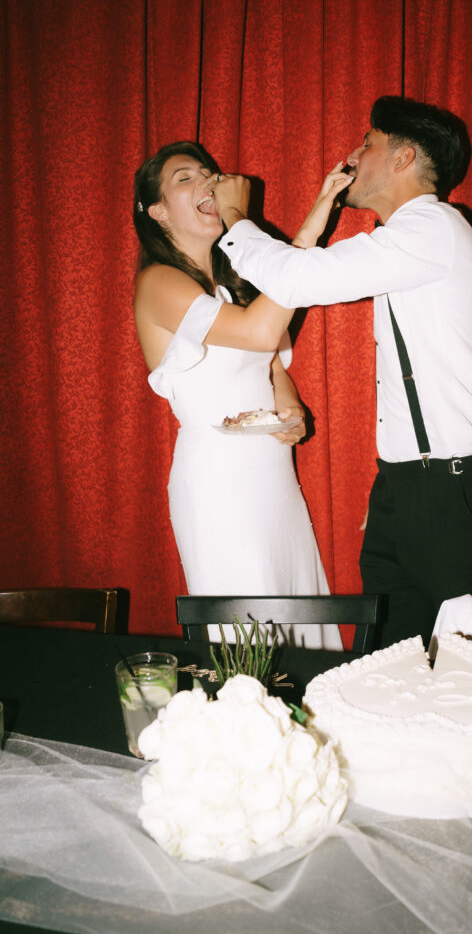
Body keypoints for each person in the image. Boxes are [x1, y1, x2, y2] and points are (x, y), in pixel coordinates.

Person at [213, 96, 472, 649]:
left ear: (403, 159)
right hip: (411, 489)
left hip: (455, 493)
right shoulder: (412, 239)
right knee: (386, 670)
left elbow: (297, 280)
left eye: (368, 143)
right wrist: (399, 491)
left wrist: (237, 217)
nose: (354, 155)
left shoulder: (433, 228)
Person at [133, 140, 341, 649]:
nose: (207, 180)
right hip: (218, 484)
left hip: (271, 475)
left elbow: (267, 359)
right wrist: (308, 227)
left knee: (297, 616)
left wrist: (287, 401)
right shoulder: (159, 281)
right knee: (251, 642)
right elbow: (256, 333)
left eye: (210, 173)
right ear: (157, 212)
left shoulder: (229, 283)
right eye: (186, 178)